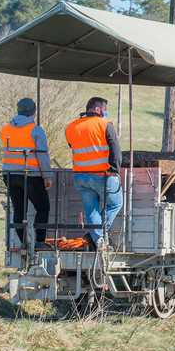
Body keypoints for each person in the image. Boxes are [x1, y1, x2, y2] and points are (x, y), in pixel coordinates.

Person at [64, 97, 122, 251]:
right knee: (115, 203)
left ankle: (98, 239)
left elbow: (71, 145)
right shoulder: (105, 125)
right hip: (103, 175)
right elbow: (116, 151)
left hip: (81, 176)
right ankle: (99, 235)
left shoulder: (71, 127)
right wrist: (115, 170)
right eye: (104, 109)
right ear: (97, 109)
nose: (105, 112)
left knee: (91, 210)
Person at [1, 97, 52, 249]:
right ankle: (39, 242)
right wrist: (47, 176)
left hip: (9, 174)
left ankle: (24, 243)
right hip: (30, 175)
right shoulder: (36, 130)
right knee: (43, 207)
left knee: (19, 209)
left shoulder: (5, 129)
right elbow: (42, 155)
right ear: (33, 112)